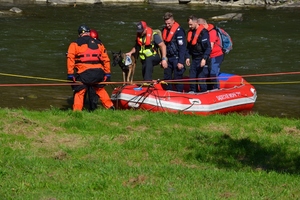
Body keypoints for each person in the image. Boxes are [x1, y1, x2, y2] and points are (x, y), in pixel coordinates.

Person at [66, 25, 114, 111]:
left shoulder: (74, 44)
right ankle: (110, 107)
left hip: (84, 73)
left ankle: (77, 112)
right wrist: (107, 73)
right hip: (98, 72)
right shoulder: (99, 44)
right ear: (89, 33)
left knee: (80, 90)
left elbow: (70, 58)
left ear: (79, 34)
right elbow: (106, 59)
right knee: (100, 89)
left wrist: (70, 74)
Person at [185, 15, 211, 93]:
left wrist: (204, 59)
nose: (190, 26)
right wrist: (187, 57)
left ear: (196, 22)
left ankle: (204, 92)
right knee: (192, 77)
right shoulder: (190, 32)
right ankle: (193, 91)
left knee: (201, 78)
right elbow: (189, 47)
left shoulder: (204, 33)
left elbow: (208, 48)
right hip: (194, 58)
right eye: (189, 25)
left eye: (191, 24)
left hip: (202, 58)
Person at [162, 12, 187, 92]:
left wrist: (181, 61)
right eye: (166, 23)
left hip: (176, 57)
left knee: (177, 77)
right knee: (167, 76)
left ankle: (179, 92)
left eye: (169, 23)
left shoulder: (179, 31)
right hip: (168, 58)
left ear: (173, 21)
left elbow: (182, 47)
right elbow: (163, 46)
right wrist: (163, 58)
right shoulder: (164, 30)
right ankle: (168, 91)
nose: (167, 25)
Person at [198, 18, 224, 90]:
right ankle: (208, 88)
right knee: (205, 74)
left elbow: (210, 47)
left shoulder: (212, 32)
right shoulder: (202, 32)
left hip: (216, 55)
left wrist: (204, 57)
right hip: (208, 56)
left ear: (202, 25)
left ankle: (216, 88)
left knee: (213, 73)